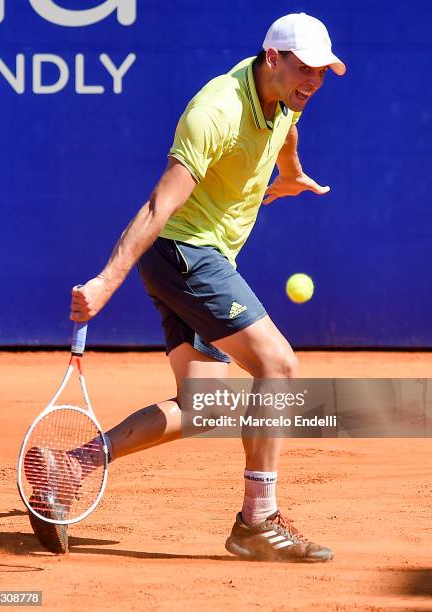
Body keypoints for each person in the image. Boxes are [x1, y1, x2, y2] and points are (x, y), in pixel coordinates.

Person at [35, 12, 346, 559]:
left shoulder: (281, 96)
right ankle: (258, 520)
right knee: (279, 365)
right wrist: (108, 282)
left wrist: (291, 171)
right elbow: (160, 203)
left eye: (321, 72)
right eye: (305, 69)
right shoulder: (217, 111)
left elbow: (286, 126)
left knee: (206, 407)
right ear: (271, 57)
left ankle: (70, 466)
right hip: (186, 254)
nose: (314, 82)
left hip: (196, 257)